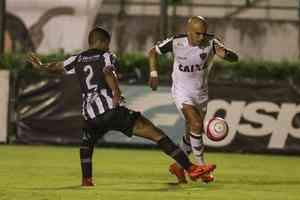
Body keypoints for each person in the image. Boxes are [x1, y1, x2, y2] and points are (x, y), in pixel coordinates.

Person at [27, 27, 216, 187]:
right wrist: (116, 92)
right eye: (107, 43)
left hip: (90, 114)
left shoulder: (77, 58)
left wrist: (41, 65)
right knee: (156, 133)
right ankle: (191, 168)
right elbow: (108, 71)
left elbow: (58, 65)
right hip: (111, 109)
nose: (108, 46)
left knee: (87, 143)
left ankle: (86, 179)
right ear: (101, 42)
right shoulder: (107, 55)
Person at [148, 16, 238, 184]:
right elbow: (153, 52)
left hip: (201, 94)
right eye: (197, 34)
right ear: (188, 31)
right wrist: (153, 73)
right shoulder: (176, 42)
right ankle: (201, 167)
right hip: (182, 92)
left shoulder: (211, 42)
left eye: (204, 34)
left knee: (191, 134)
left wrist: (225, 54)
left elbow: (235, 58)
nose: (201, 37)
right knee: (196, 125)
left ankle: (178, 166)